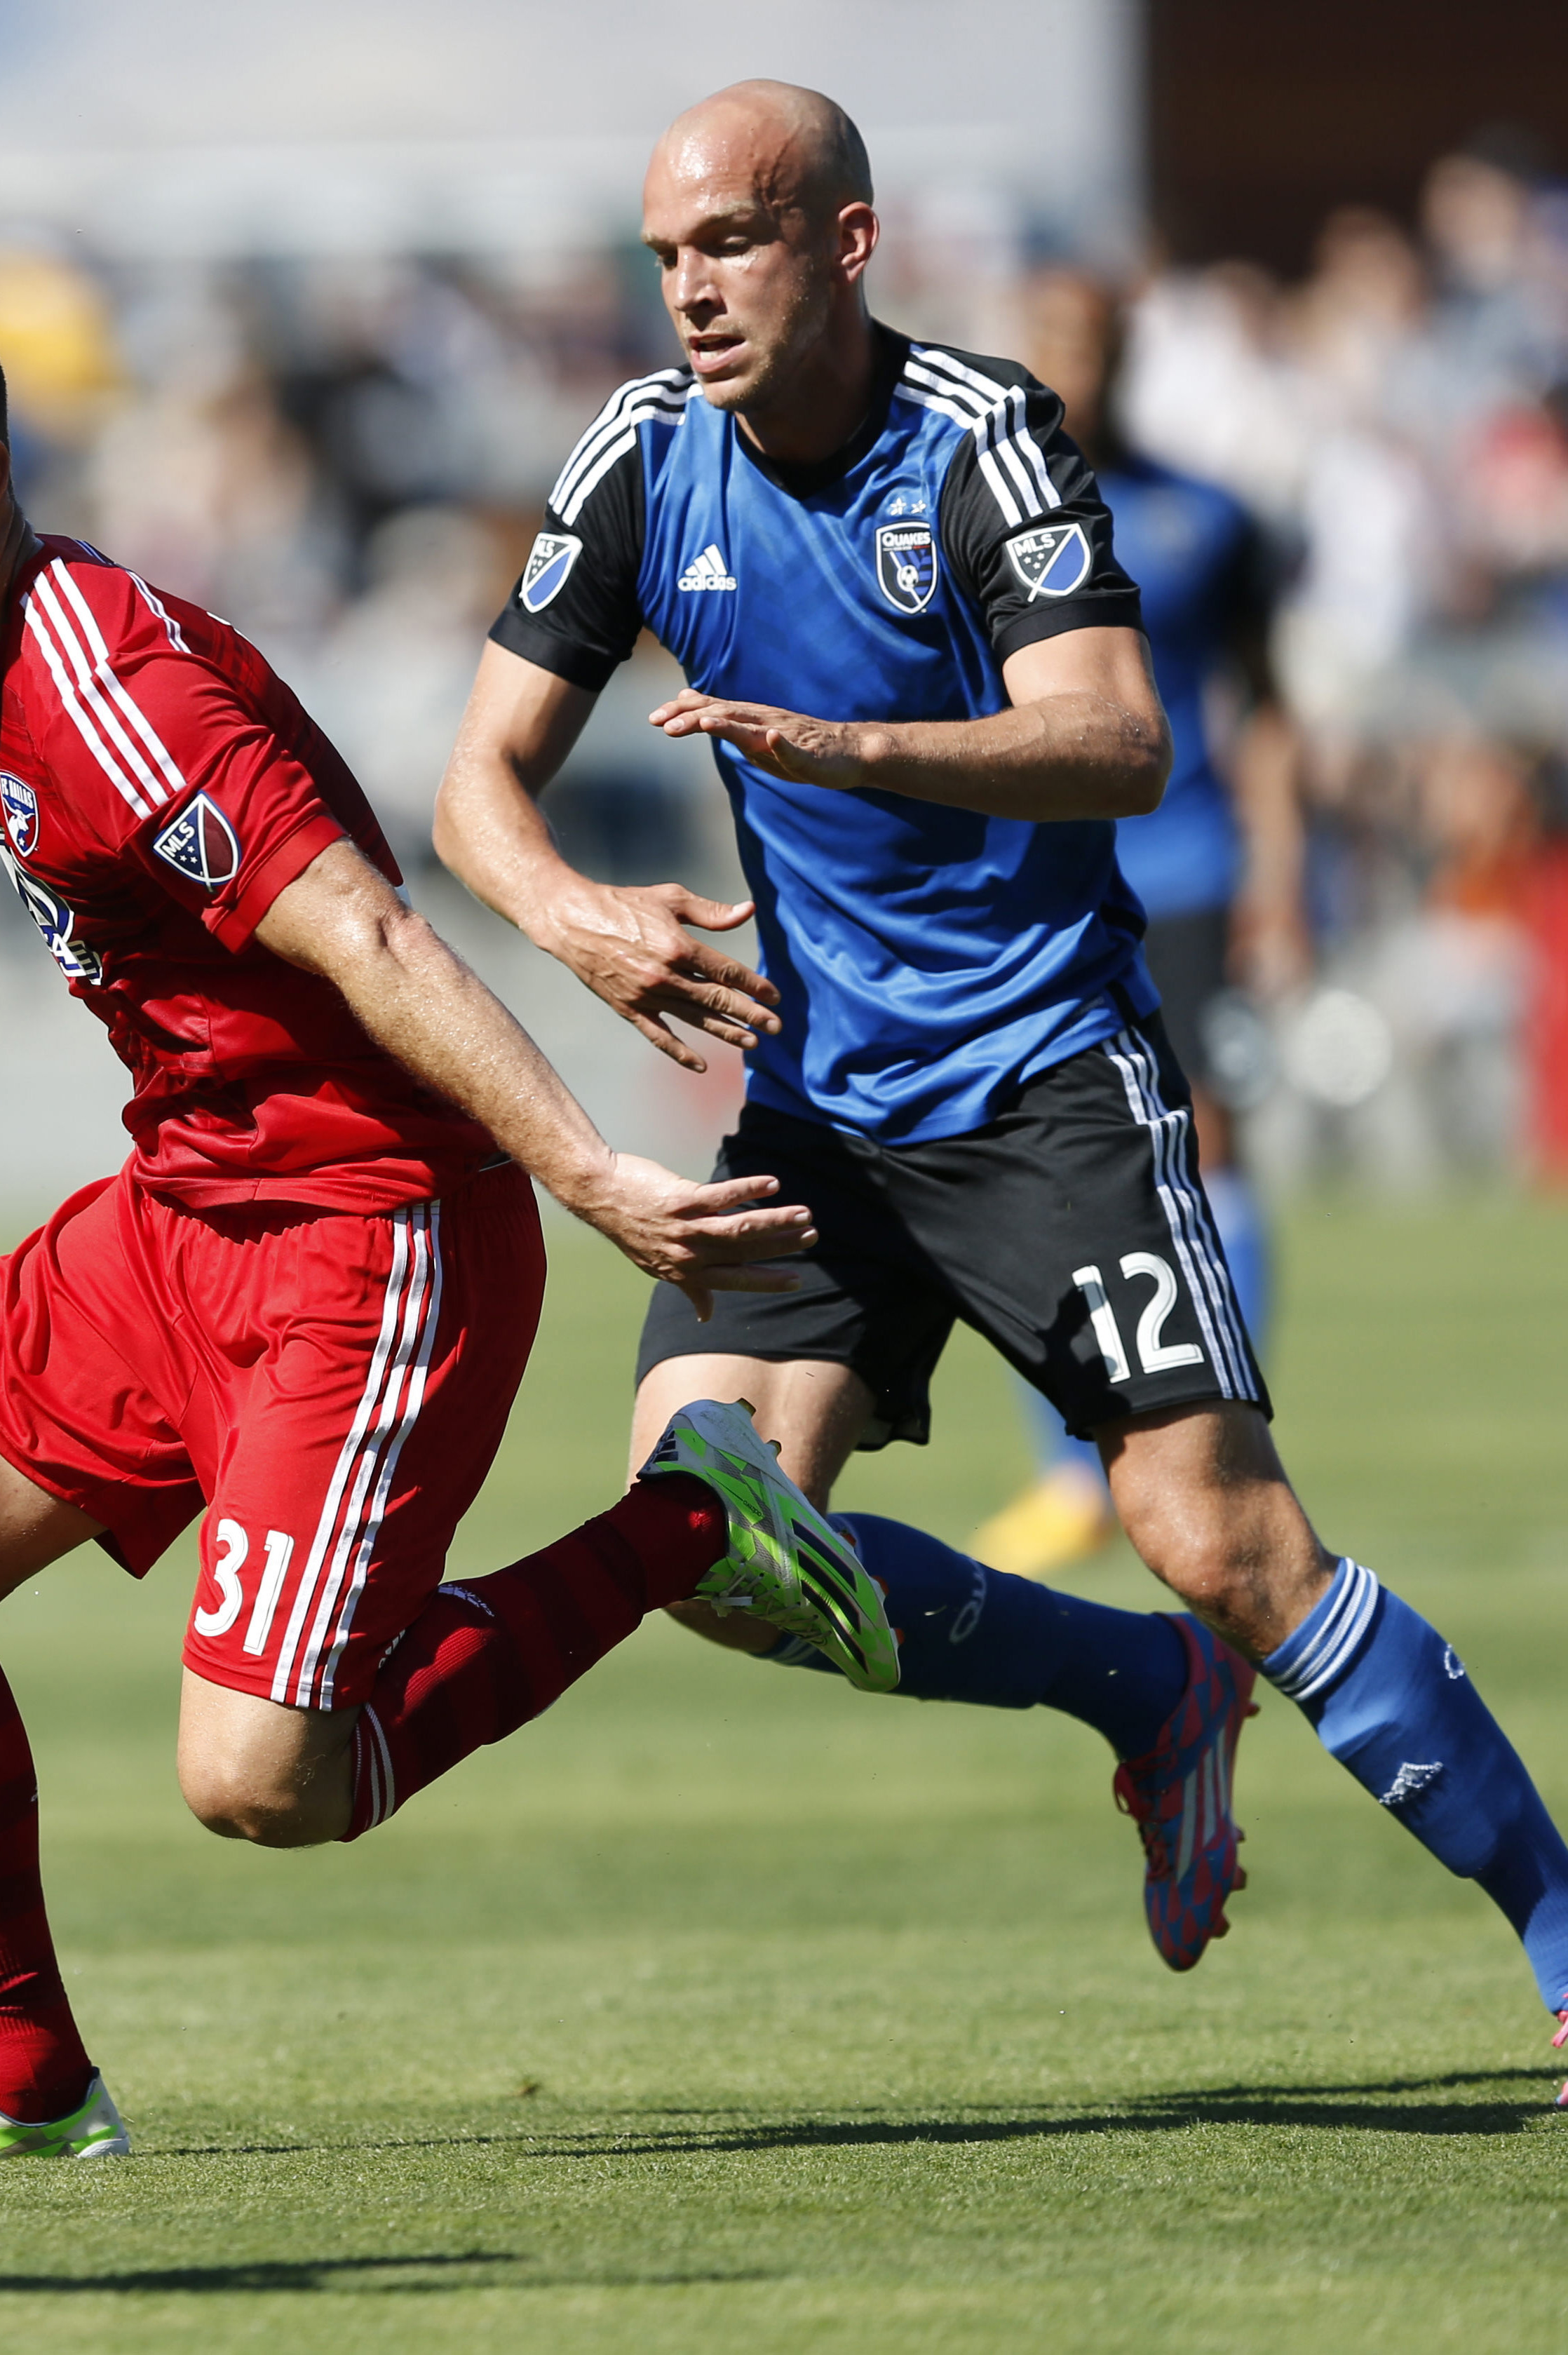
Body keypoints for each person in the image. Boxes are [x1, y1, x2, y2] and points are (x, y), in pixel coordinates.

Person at [0, 257, 895, 2173]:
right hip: (179, 1204)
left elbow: (368, 930)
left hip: (366, 1230)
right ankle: (22, 2082)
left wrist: (590, 1166)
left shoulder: (120, 692)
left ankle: (698, 1509)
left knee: (265, 1782)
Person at [433, 83, 1568, 2060]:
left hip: (1042, 1069)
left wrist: (853, 747)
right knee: (704, 1539)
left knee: (1222, 1540)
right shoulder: (636, 457)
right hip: (816, 1104)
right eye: (663, 256)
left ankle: (1552, 1924)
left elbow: (1116, 736)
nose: (686, 291)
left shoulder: (976, 437)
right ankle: (1140, 1695)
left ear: (843, 245)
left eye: (728, 243)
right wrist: (568, 911)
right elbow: (471, 786)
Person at [969, 267, 1308, 1579]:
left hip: (1188, 865)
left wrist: (1280, 878)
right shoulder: (970, 506)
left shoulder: (1205, 516)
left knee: (1206, 1136)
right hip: (1041, 875)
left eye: (1099, 346)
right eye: (1057, 345)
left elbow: (1266, 708)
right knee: (1046, 1149)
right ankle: (1075, 1467)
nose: (1080, 370)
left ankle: (1217, 1436)